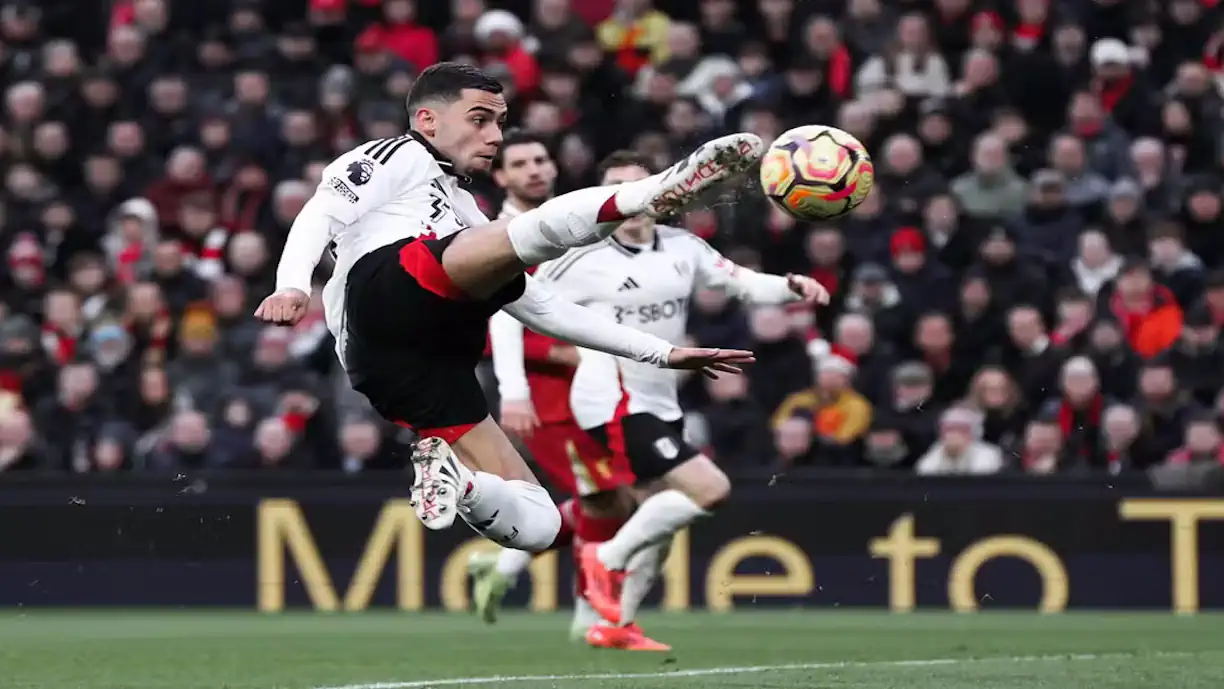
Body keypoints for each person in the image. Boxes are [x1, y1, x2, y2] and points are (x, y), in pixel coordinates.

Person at [254, 62, 763, 555]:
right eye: (480, 120)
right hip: (385, 296)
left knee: (540, 524)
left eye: (498, 122)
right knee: (518, 236)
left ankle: (459, 483)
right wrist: (292, 285)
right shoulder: (398, 155)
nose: (495, 136)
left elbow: (543, 306)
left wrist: (661, 353)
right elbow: (320, 210)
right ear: (428, 119)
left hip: (414, 372)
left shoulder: (464, 210)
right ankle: (658, 190)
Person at [484, 151, 829, 649]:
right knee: (707, 490)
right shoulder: (579, 257)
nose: (628, 200)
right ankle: (603, 561)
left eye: (637, 187)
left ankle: (613, 623)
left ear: (661, 194)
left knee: (660, 522)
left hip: (661, 403)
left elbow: (741, 283)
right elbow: (509, 307)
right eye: (616, 187)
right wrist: (514, 389)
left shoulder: (684, 247)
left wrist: (791, 286)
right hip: (610, 400)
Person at [467, 131, 614, 631]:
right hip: (550, 398)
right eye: (521, 163)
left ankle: (505, 562)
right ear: (501, 176)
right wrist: (527, 382)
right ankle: (592, 611)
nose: (535, 169)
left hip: (603, 389)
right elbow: (490, 322)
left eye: (541, 159)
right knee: (601, 497)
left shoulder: (573, 222)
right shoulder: (493, 237)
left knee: (620, 496)